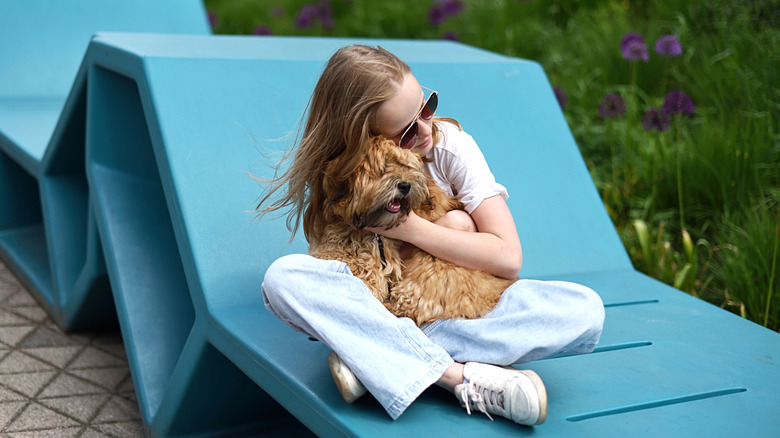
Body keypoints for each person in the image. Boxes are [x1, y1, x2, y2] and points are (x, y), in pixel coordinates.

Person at [258, 44, 604, 426]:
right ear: (364, 138)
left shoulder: (451, 147)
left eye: (426, 106)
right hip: (380, 308)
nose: (426, 129)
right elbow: (340, 266)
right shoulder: (345, 173)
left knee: (584, 309)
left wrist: (410, 228)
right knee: (282, 279)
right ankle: (458, 379)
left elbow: (508, 258)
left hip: (455, 317)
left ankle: (375, 355)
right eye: (406, 130)